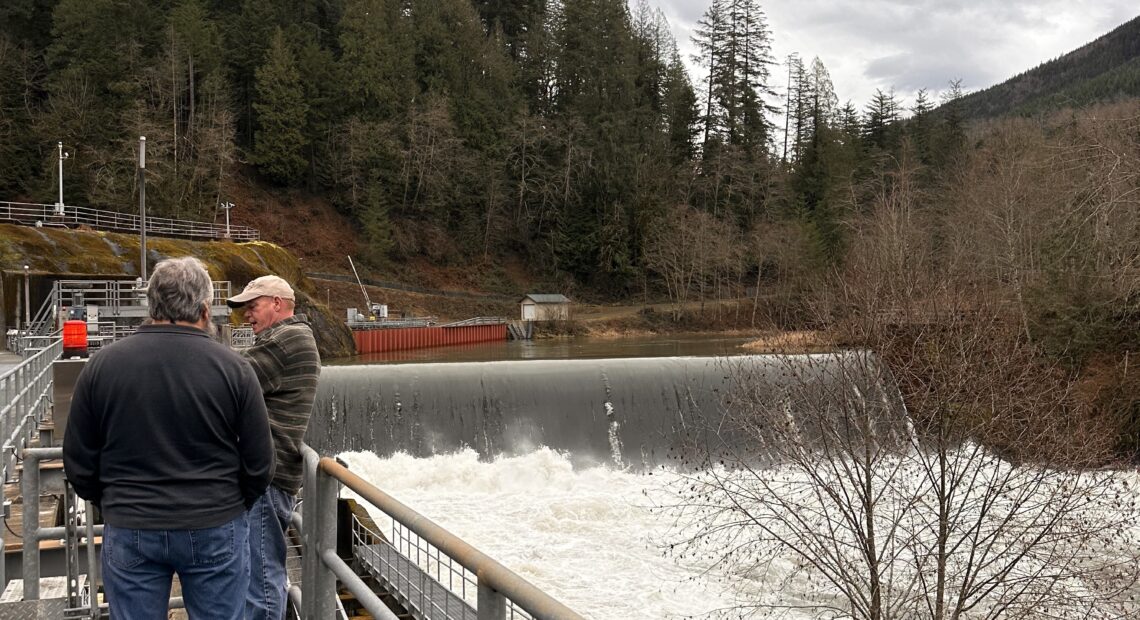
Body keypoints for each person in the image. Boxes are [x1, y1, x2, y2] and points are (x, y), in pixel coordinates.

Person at [63, 257, 275, 620]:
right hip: (214, 522)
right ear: (205, 310)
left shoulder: (102, 365)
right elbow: (260, 464)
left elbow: (78, 460)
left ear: (151, 306)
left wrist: (113, 500)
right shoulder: (234, 369)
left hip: (130, 523)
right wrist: (228, 504)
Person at [226, 275, 322, 620]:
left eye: (252, 306)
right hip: (269, 475)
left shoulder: (285, 341)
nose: (246, 315)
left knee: (262, 578)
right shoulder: (292, 337)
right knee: (258, 574)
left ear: (277, 304)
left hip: (265, 476)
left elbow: (228, 382)